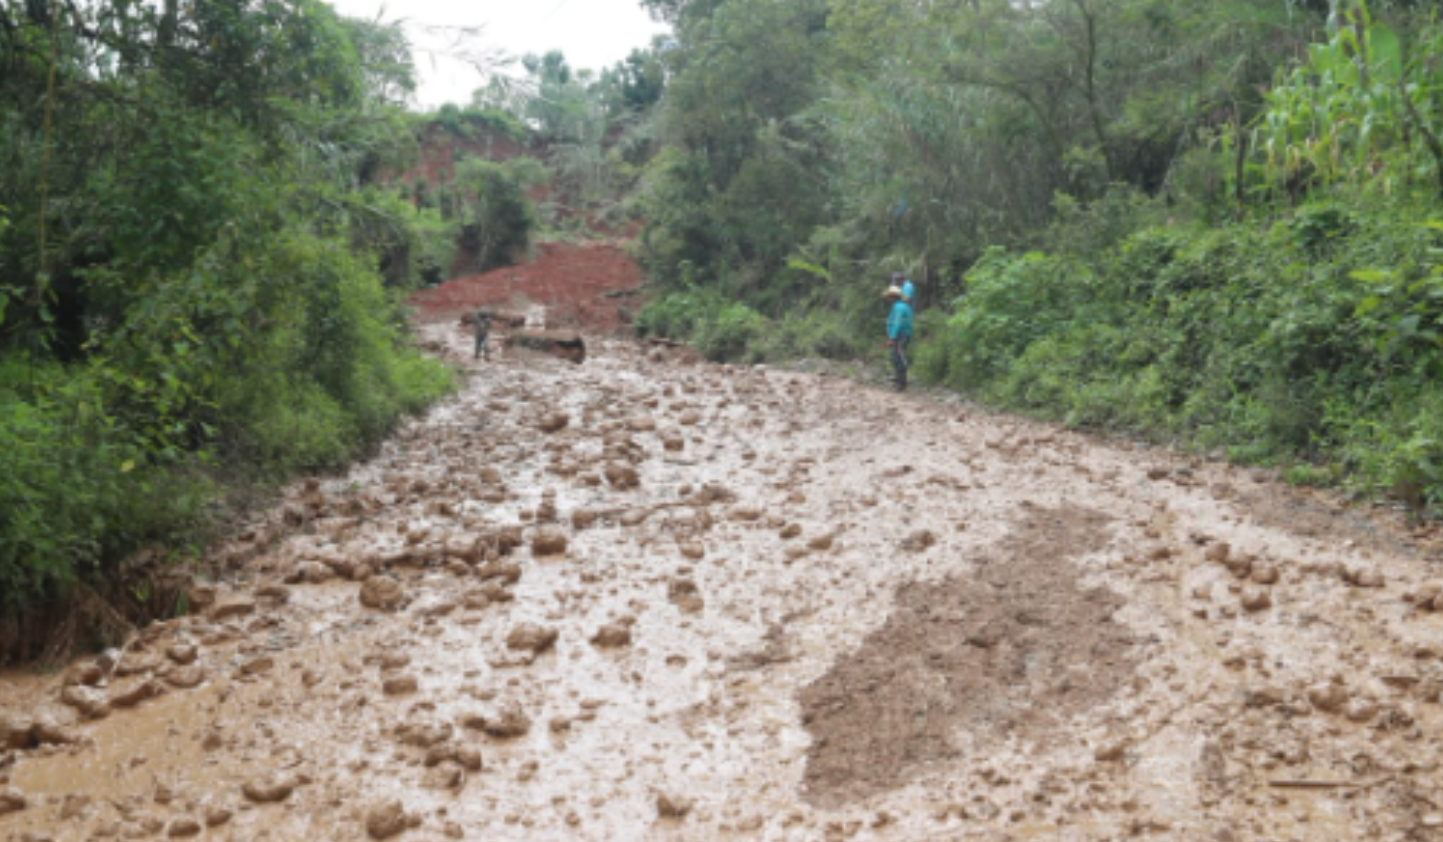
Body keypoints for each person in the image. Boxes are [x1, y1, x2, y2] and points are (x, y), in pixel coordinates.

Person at [884, 285, 913, 391]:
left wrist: (892, 337)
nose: (887, 298)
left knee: (899, 356)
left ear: (892, 296)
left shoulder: (899, 307)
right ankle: (899, 380)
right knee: (895, 355)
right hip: (900, 334)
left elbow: (897, 323)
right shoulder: (899, 306)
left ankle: (902, 383)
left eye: (888, 296)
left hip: (901, 335)